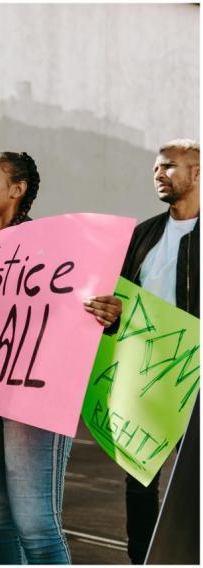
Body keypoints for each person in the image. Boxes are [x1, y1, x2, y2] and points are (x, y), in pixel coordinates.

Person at [0, 152, 122, 564]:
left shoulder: (50, 246)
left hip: (31, 399)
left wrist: (109, 313)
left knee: (36, 526)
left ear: (17, 190)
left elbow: (82, 309)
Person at [118, 139, 199, 564]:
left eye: (169, 166)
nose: (158, 174)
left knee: (195, 482)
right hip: (144, 372)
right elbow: (121, 300)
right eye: (155, 168)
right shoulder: (142, 234)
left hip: (195, 376)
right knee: (138, 481)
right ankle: (142, 560)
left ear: (198, 172)